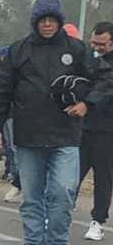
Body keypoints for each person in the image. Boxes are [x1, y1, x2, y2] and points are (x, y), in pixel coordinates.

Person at [0, 0, 92, 245]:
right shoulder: (18, 50)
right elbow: (1, 91)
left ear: (59, 21)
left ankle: (57, 240)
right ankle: (33, 241)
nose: (47, 25)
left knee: (63, 193)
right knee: (32, 198)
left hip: (65, 136)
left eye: (51, 20)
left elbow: (97, 82)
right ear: (34, 22)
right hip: (28, 137)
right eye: (42, 20)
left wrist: (86, 103)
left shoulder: (76, 49)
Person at [80, 21, 113, 240]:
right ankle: (59, 214)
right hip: (83, 127)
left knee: (103, 177)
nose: (97, 47)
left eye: (101, 44)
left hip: (108, 130)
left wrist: (89, 102)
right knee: (71, 175)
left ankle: (98, 221)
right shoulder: (89, 61)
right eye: (94, 42)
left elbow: (105, 89)